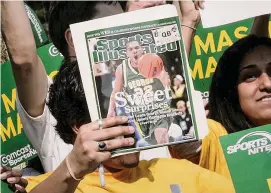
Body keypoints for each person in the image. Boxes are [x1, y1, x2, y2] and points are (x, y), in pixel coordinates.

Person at [25, 59, 234, 193]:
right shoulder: (55, 187)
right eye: (118, 114)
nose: (131, 125)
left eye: (133, 108)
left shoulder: (178, 171)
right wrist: (72, 170)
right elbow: (24, 59)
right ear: (80, 128)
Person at [1, 1, 124, 172]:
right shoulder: (52, 98)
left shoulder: (147, 80)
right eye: (113, 27)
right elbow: (24, 61)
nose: (127, 34)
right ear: (74, 39)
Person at [169, 2, 271, 179]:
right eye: (250, 76)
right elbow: (181, 128)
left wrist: (262, 9)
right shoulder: (217, 140)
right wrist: (189, 21)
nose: (267, 84)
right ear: (231, 91)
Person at [107, 39, 172, 145]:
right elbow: (116, 92)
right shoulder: (122, 69)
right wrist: (111, 110)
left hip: (158, 110)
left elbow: (165, 82)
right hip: (140, 115)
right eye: (130, 49)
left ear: (143, 49)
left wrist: (166, 85)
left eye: (137, 48)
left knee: (162, 138)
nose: (134, 51)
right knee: (151, 143)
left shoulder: (153, 61)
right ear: (127, 53)